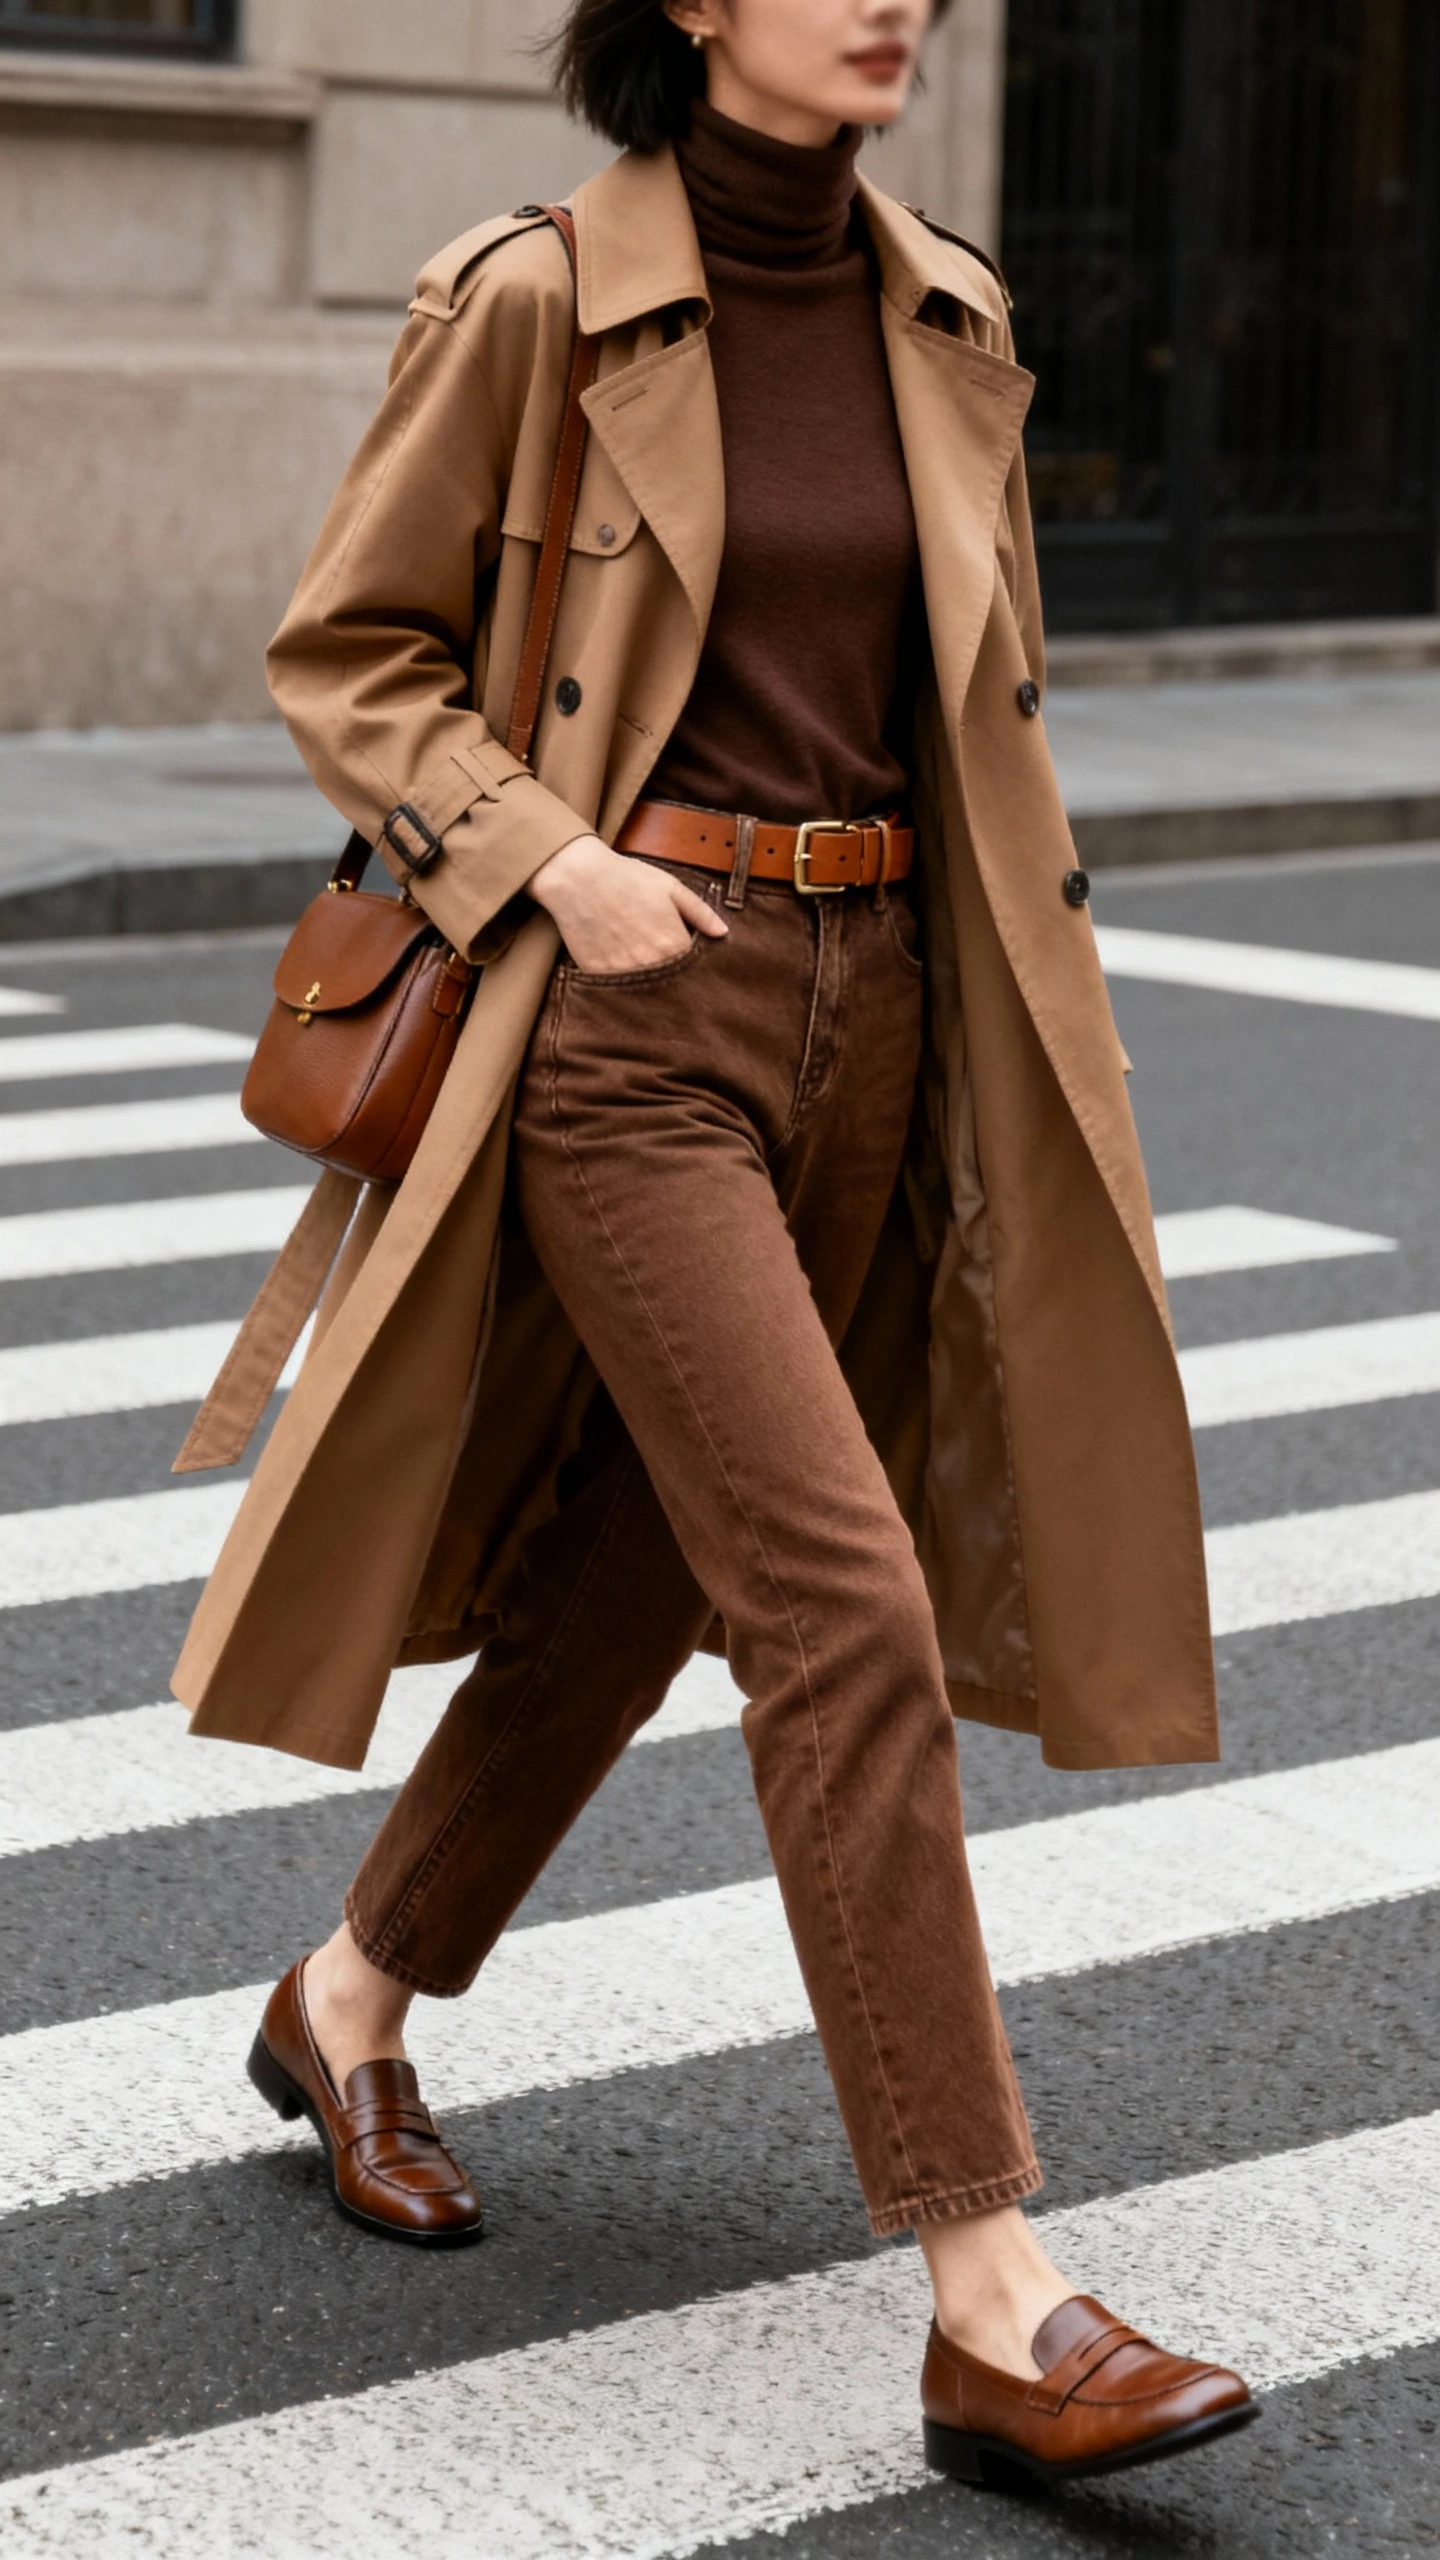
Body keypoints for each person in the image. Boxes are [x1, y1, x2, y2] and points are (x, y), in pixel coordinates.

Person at [176, 0, 1258, 2491]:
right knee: (840, 1600)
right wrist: (552, 864)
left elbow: (971, 715)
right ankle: (994, 2290)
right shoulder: (542, 296)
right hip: (633, 1019)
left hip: (881, 1011)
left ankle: (348, 1987)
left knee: (645, 1562)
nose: (896, 1)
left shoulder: (945, 308)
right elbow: (353, 649)